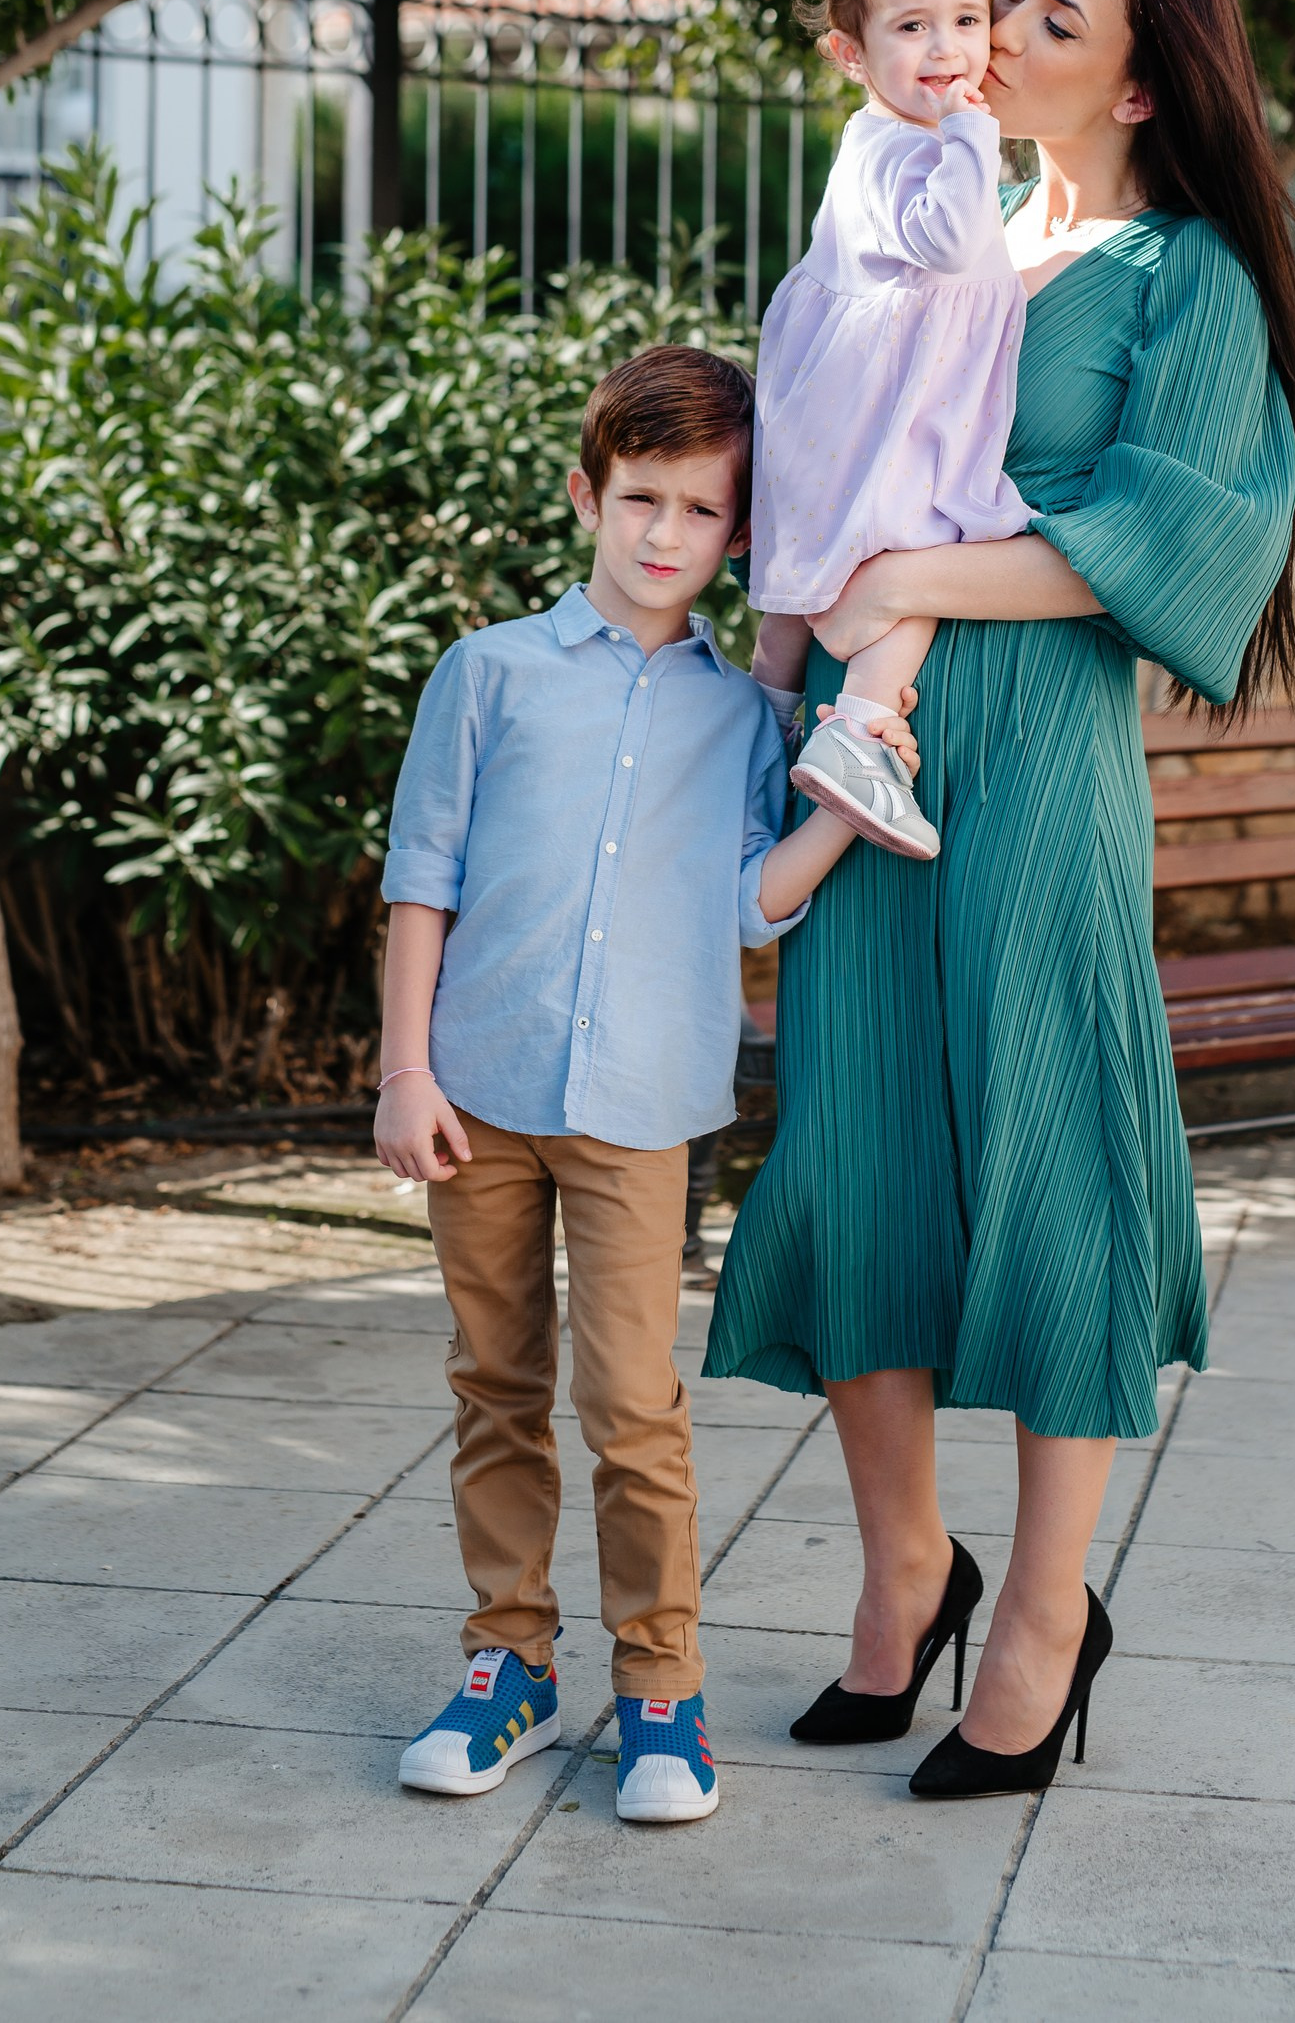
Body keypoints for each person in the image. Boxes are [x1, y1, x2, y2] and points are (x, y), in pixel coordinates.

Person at [706, 0, 1295, 1800]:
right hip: (859, 765)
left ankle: (1045, 1607)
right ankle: (906, 1566)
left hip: (1032, 774)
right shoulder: (942, 209)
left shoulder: (1181, 276)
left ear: (1138, 81)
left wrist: (904, 572)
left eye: (1047, 11)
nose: (1001, 31)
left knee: (1048, 1164)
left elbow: (1174, 543)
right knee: (857, 1150)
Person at [373, 344, 918, 1826]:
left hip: (638, 1109)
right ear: (586, 496)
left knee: (632, 1402)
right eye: (640, 499)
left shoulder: (746, 719)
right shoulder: (486, 674)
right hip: (475, 1093)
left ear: (737, 535)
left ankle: (661, 1685)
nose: (666, 533)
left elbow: (754, 899)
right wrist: (404, 1066)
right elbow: (421, 880)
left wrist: (850, 813)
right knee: (495, 1385)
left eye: (698, 509)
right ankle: (510, 1665)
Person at [750, 0, 1031, 864]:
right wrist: (973, 134)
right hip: (876, 416)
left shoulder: (900, 144)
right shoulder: (905, 150)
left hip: (856, 404)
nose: (949, 50)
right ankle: (856, 733)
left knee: (801, 588)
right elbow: (953, 247)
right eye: (911, 26)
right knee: (914, 561)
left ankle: (768, 716)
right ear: (850, 52)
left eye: (966, 18)